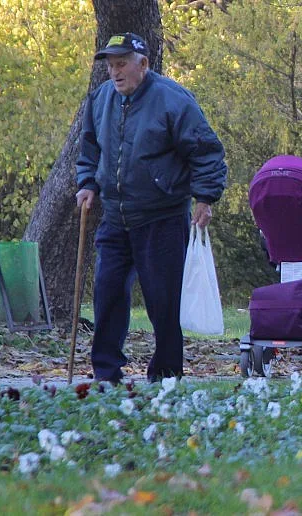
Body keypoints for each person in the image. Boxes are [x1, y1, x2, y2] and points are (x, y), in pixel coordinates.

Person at [75, 33, 228, 383]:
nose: (114, 73)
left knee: (164, 302)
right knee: (107, 292)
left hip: (162, 216)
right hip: (115, 217)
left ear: (143, 64)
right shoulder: (100, 100)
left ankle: (166, 376)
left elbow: (207, 152)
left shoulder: (173, 100)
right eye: (110, 66)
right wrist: (87, 184)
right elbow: (89, 151)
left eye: (122, 64)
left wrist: (205, 198)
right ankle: (106, 375)